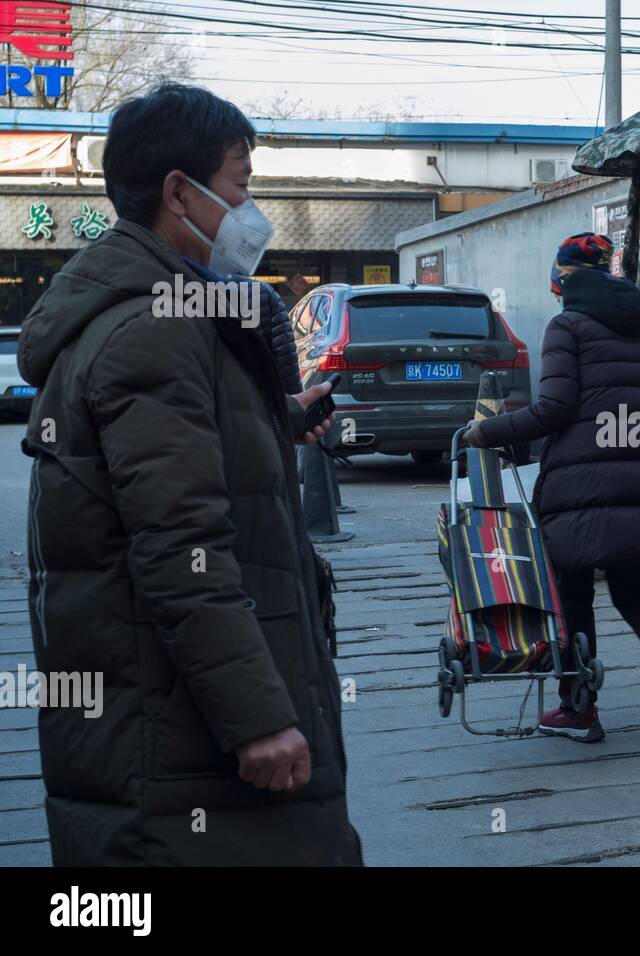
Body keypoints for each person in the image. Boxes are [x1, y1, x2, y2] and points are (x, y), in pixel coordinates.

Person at [19, 84, 362, 866]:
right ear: (181, 192)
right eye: (241, 183)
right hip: (180, 740)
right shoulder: (155, 331)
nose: (250, 208)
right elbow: (180, 544)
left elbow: (182, 470)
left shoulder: (170, 316)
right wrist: (256, 716)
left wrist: (277, 420)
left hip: (167, 722)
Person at [464, 233, 640, 751]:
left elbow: (555, 409)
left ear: (563, 277)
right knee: (636, 590)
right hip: (639, 475)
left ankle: (579, 708)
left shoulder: (568, 325)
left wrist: (485, 432)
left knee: (571, 587)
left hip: (582, 482)